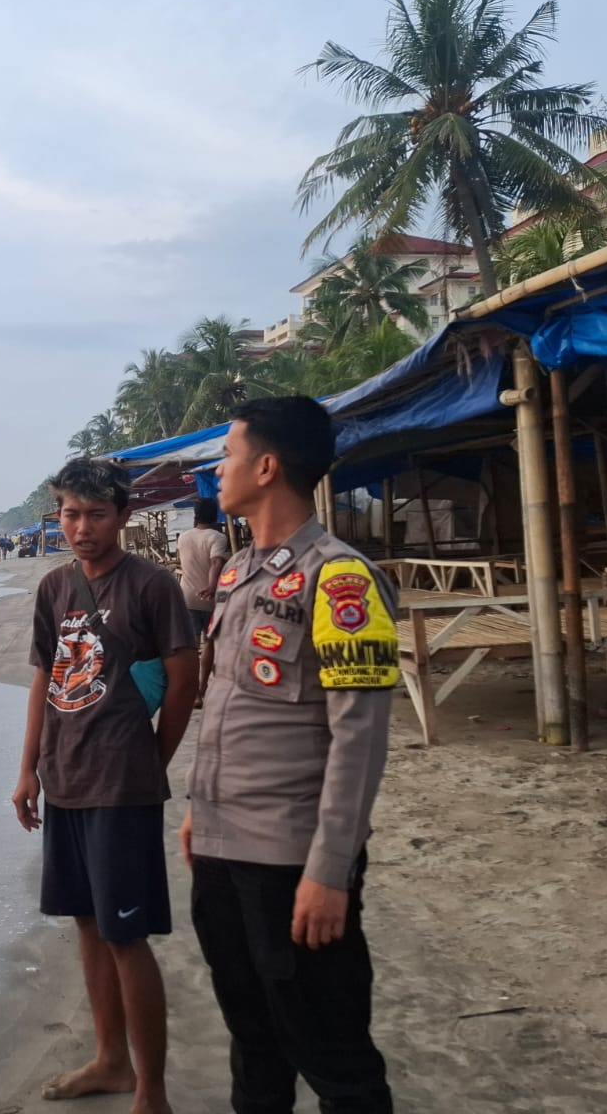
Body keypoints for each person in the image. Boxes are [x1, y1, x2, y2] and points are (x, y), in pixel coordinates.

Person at [180, 396, 396, 1113]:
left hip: (289, 860)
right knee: (254, 1045)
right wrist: (199, 811)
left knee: (334, 1057)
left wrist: (330, 870)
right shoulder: (239, 570)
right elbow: (229, 706)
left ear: (267, 466)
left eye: (229, 454)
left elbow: (359, 739)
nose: (219, 469)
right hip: (220, 849)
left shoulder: (341, 579)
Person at [12, 458, 198, 1114]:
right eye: (70, 514)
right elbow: (45, 676)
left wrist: (153, 759)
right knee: (88, 926)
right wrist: (27, 769)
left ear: (122, 514)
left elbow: (185, 680)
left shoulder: (151, 586)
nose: (81, 528)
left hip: (121, 786)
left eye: (95, 514)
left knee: (125, 935)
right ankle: (110, 1060)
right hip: (64, 779)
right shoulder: (54, 587)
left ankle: (152, 1091)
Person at [176, 497, 230, 709]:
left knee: (190, 648)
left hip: (187, 597)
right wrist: (211, 586)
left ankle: (193, 693)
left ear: (195, 515)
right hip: (209, 599)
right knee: (210, 643)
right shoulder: (217, 537)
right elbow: (216, 562)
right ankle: (202, 688)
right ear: (215, 515)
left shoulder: (183, 537)